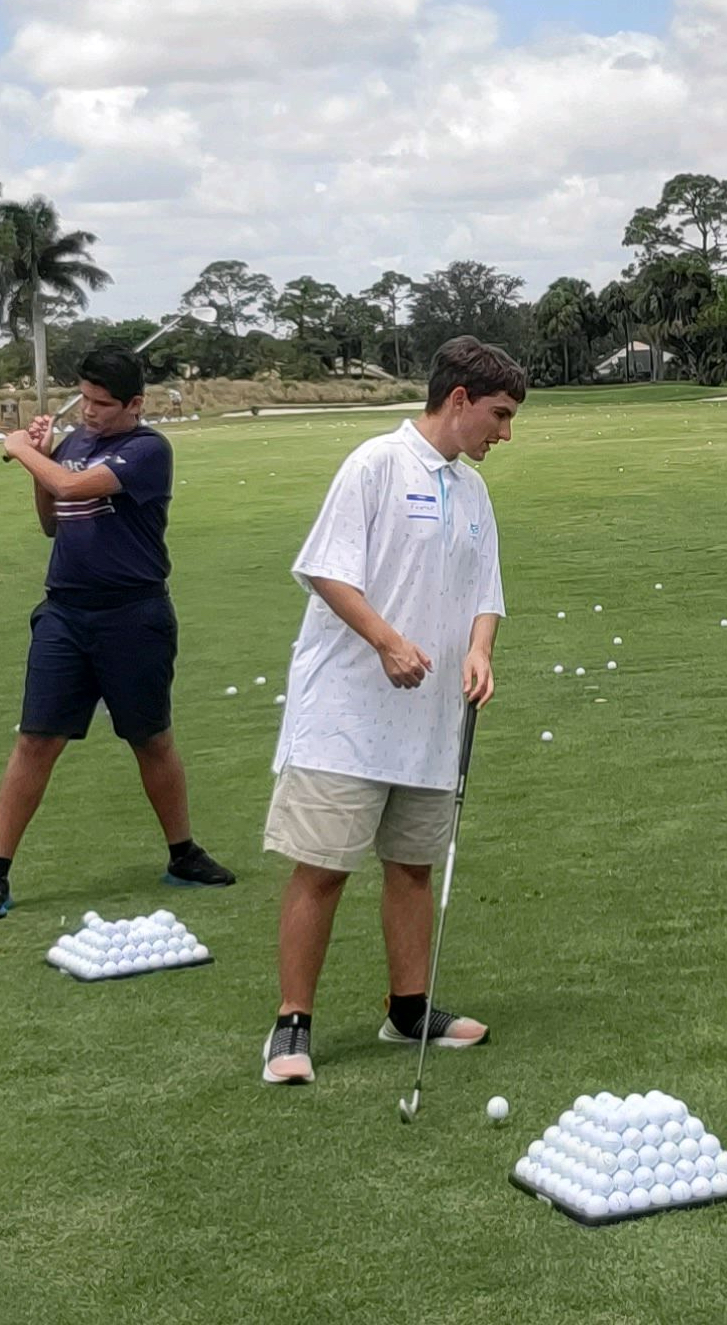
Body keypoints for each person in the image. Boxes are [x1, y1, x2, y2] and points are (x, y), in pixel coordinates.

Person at [258, 336, 521, 1086]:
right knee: (324, 869)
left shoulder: (473, 491)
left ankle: (410, 1009)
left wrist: (481, 650)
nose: (505, 433)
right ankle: (291, 1025)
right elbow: (326, 570)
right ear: (460, 399)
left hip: (429, 721)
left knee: (411, 866)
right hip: (345, 716)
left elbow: (486, 593)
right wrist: (386, 641)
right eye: (499, 415)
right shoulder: (375, 463)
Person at [0, 345, 232, 921]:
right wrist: (41, 458)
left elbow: (69, 488)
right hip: (65, 613)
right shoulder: (75, 445)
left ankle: (183, 853)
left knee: (151, 738)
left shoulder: (146, 450)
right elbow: (50, 517)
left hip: (133, 614)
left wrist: (20, 450)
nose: (88, 412)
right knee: (36, 740)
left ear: (135, 403)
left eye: (102, 404)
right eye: (84, 399)